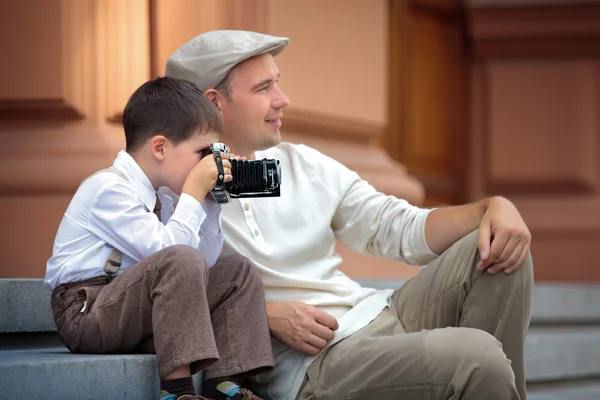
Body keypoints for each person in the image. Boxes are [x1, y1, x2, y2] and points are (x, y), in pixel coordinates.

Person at [165, 30, 534, 400]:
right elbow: (161, 294)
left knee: (499, 249)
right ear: (214, 102)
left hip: (380, 314)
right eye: (263, 89)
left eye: (278, 83)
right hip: (320, 362)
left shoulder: (301, 163)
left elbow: (397, 227)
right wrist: (263, 315)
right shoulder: (170, 195)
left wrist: (492, 208)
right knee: (477, 357)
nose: (283, 100)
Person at [45, 76, 273, 400]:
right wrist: (194, 190)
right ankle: (177, 391)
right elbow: (171, 254)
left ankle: (224, 385)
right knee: (179, 257)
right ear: (161, 147)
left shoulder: (162, 197)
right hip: (86, 312)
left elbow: (202, 264)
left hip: (132, 311)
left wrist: (208, 203)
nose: (206, 164)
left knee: (237, 270)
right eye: (201, 153)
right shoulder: (108, 189)